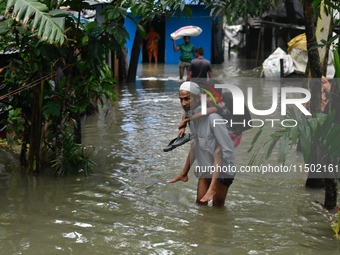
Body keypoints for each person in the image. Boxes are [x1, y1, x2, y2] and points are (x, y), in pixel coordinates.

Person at [168, 81, 236, 207]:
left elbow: (227, 149)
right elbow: (195, 145)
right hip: (206, 168)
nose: (184, 103)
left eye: (187, 99)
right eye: (181, 99)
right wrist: (185, 171)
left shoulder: (214, 119)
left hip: (222, 170)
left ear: (198, 98)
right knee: (200, 205)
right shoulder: (193, 119)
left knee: (217, 207)